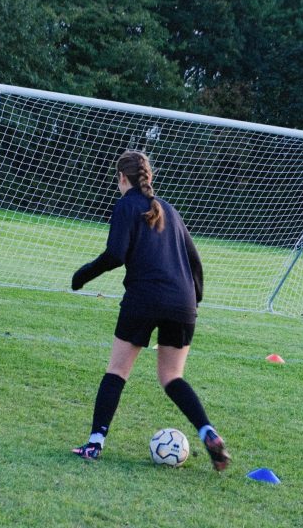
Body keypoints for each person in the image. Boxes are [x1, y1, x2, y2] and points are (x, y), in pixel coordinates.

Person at [70, 150, 231, 471]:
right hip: (183, 302)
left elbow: (116, 253)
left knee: (117, 371)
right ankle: (208, 431)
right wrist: (191, 303)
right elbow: (195, 263)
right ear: (148, 177)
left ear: (122, 178)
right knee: (172, 376)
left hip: (145, 298)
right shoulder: (169, 210)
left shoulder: (126, 205)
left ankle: (94, 444)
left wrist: (82, 275)